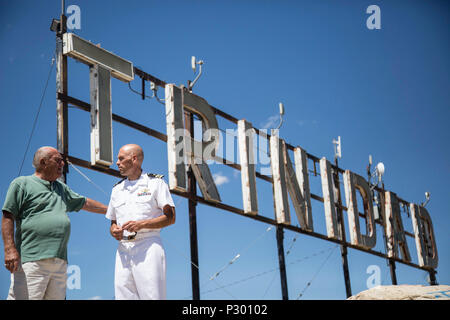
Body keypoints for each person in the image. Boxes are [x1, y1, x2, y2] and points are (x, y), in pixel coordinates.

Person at [1, 146, 108, 300]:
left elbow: (85, 203)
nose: (62, 164)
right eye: (58, 160)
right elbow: (7, 216)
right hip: (31, 260)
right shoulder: (21, 184)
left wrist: (113, 210)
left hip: (60, 261)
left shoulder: (61, 188)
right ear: (43, 162)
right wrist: (10, 249)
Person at [106, 144, 175, 300]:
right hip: (123, 249)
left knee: (152, 296)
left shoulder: (156, 183)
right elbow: (112, 223)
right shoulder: (116, 190)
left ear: (134, 159)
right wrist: (114, 231)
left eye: (121, 158)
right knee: (123, 296)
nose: (117, 162)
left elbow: (171, 218)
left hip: (148, 246)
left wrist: (141, 224)